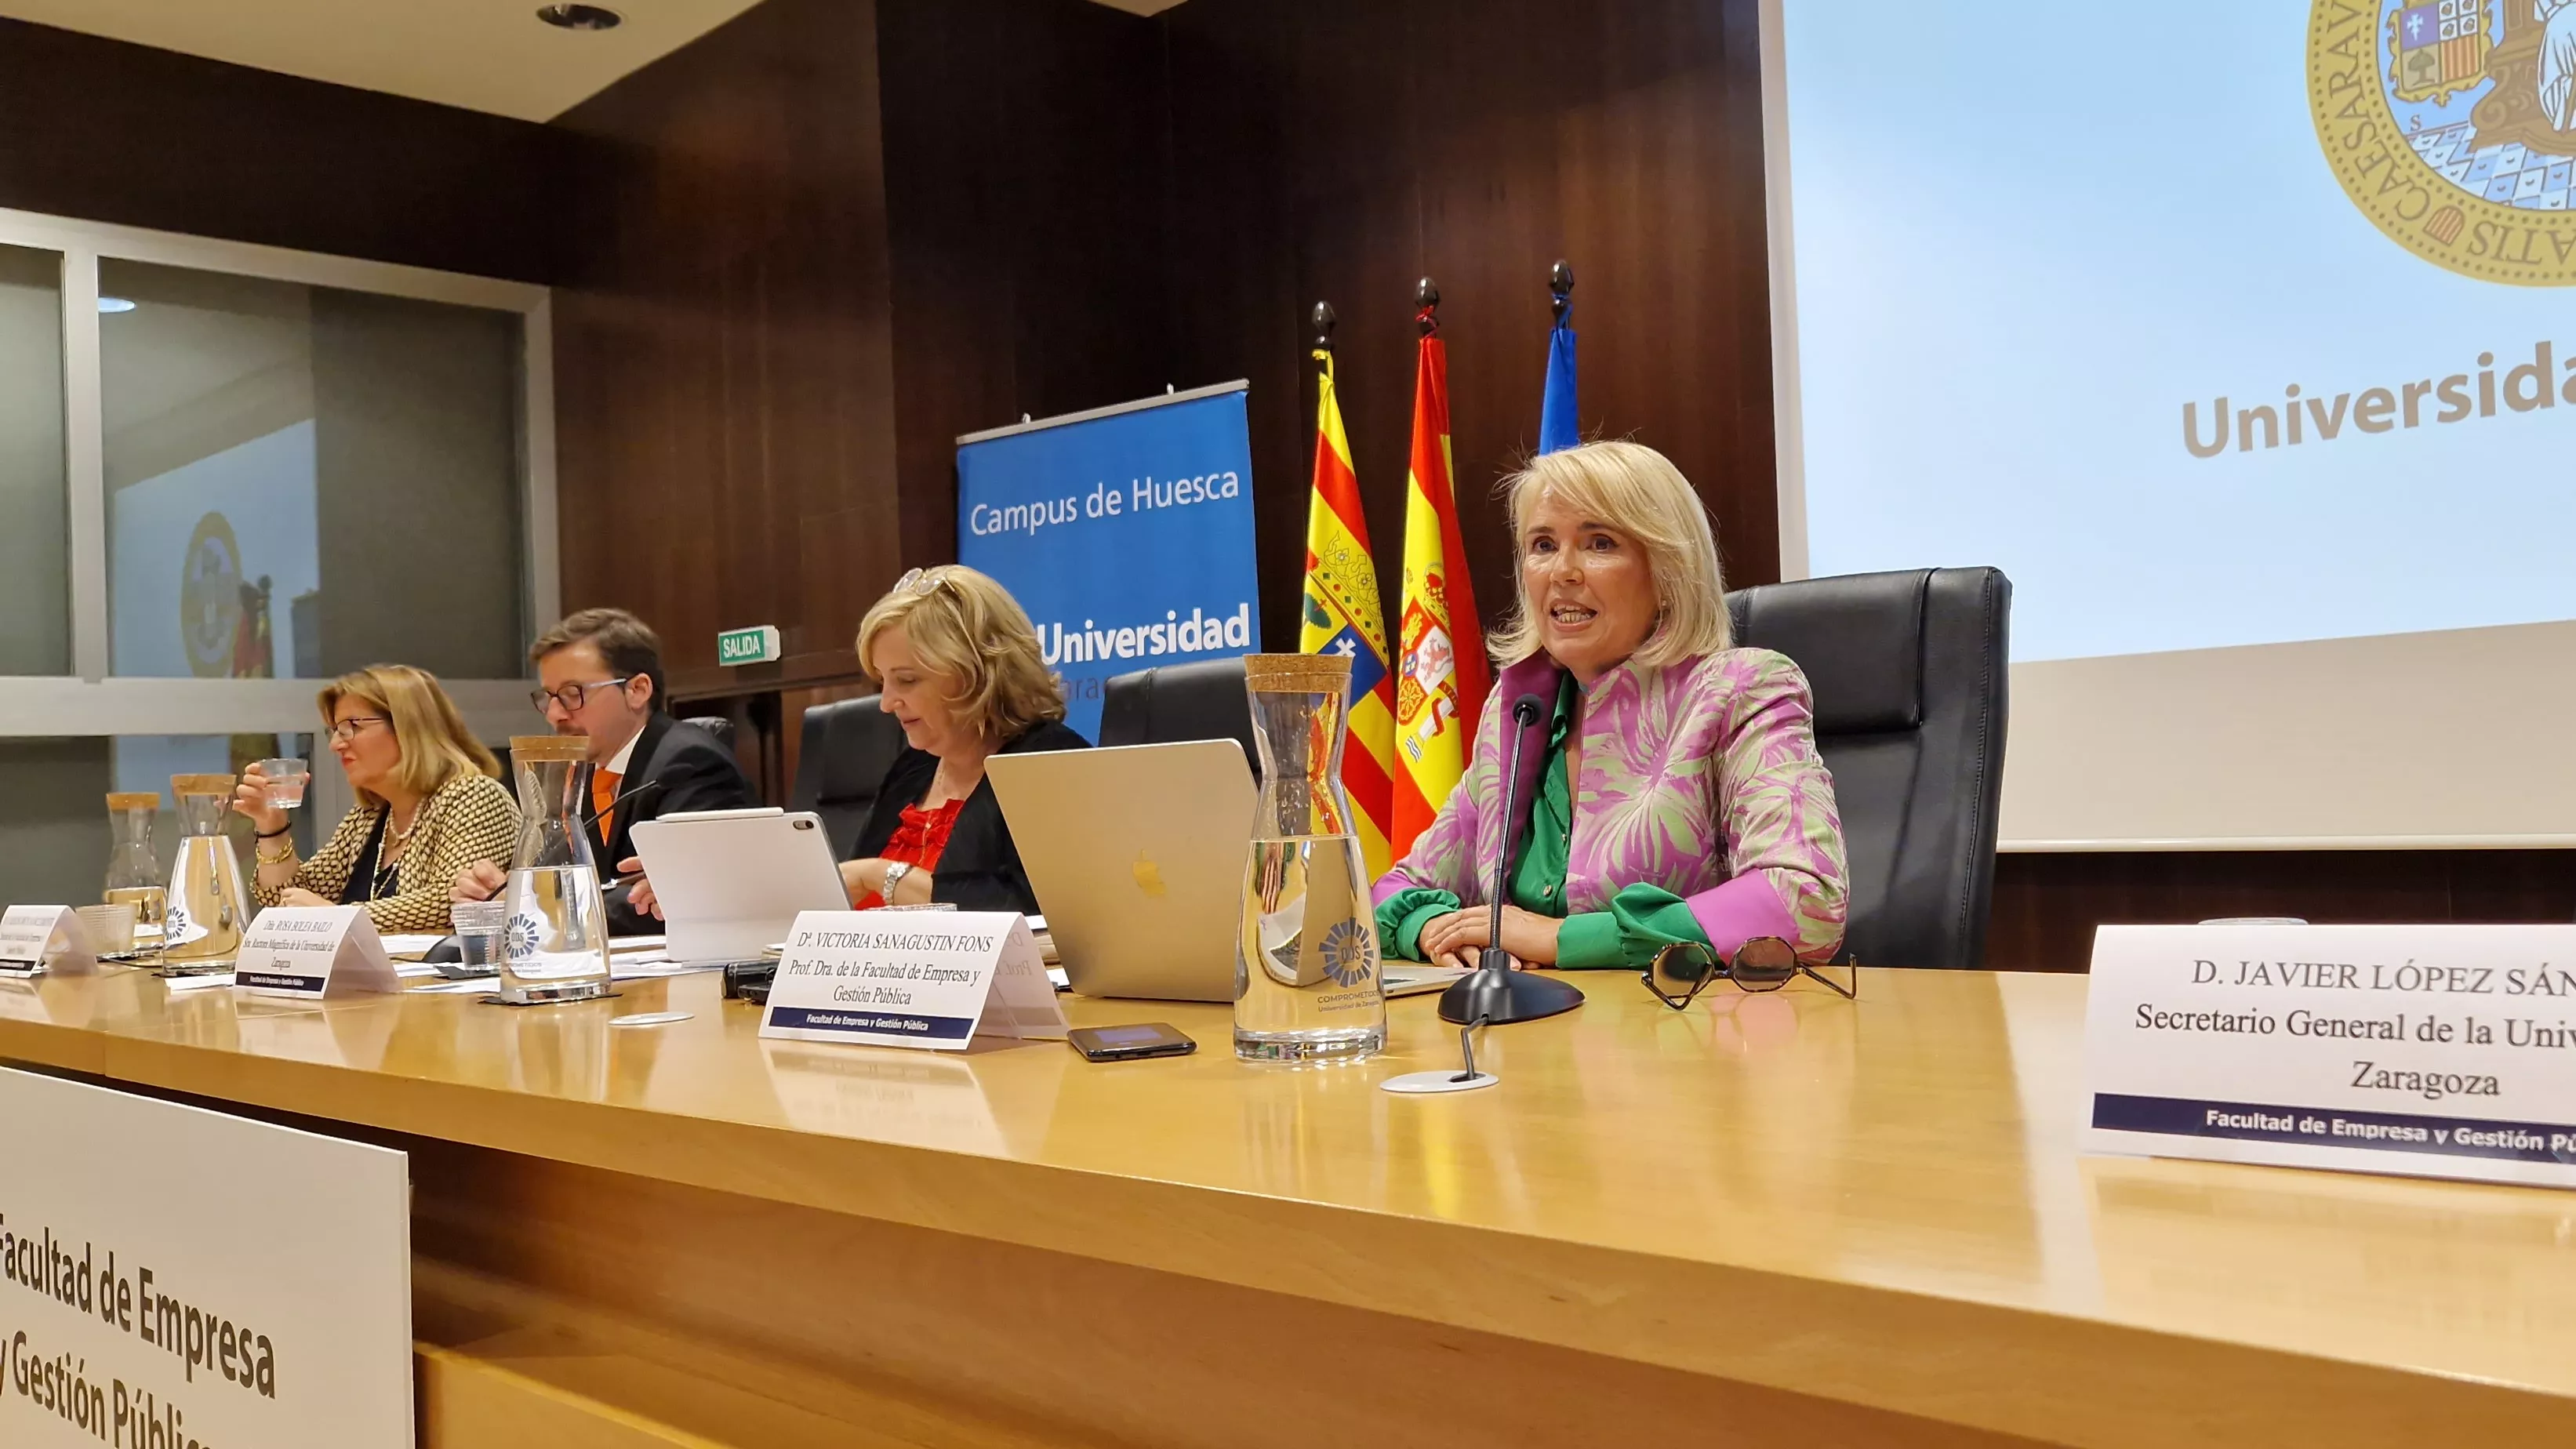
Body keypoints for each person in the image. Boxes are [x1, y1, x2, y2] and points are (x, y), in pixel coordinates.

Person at [1373, 441, 1848, 975]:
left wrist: (1562, 939)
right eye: (1542, 545)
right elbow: (1393, 890)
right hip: (1529, 1039)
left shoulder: (1741, 691)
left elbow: (1804, 902)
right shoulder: (1518, 711)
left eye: (1599, 543)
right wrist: (1432, 930)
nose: (1563, 571)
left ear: (1668, 571)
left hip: (1690, 1037)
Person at [630, 565, 1086, 921]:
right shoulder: (914, 768)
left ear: (980, 672)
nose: (887, 704)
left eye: (907, 680)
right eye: (882, 682)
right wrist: (707, 891)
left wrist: (878, 875)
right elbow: (835, 891)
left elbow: (1035, 915)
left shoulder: (1049, 764)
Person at [452, 608, 754, 934]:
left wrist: (528, 903)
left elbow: (660, 901)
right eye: (548, 698)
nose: (554, 715)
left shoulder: (689, 765)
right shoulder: (584, 774)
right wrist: (497, 893)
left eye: (572, 695)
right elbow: (563, 879)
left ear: (637, 690)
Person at [238, 665, 520, 934]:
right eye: (335, 730)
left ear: (407, 726)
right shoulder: (370, 815)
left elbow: (449, 903)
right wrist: (271, 825)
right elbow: (287, 900)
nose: (335, 744)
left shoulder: (474, 796)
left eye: (351, 727)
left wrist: (339, 919)